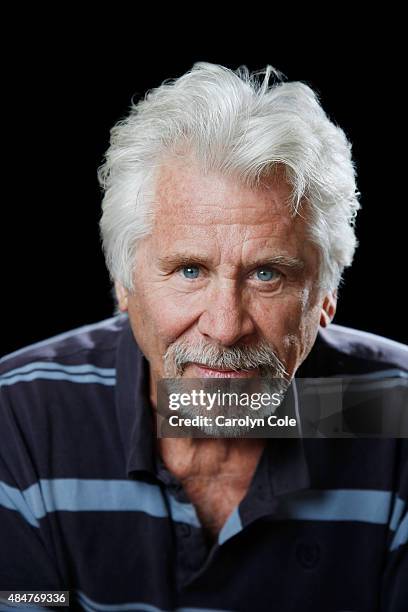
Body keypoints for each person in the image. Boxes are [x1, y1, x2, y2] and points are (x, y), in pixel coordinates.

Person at [0, 62, 406, 612]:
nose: (225, 325)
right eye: (189, 270)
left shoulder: (392, 408)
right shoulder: (25, 411)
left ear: (326, 296)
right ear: (125, 284)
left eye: (268, 274)